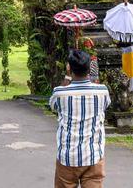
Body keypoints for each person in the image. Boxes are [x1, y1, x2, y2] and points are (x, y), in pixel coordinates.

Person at [49, 49, 111, 187]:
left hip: (67, 157)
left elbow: (53, 106)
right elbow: (106, 105)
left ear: (69, 68)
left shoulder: (59, 93)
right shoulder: (102, 91)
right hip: (93, 156)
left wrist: (67, 76)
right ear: (89, 69)